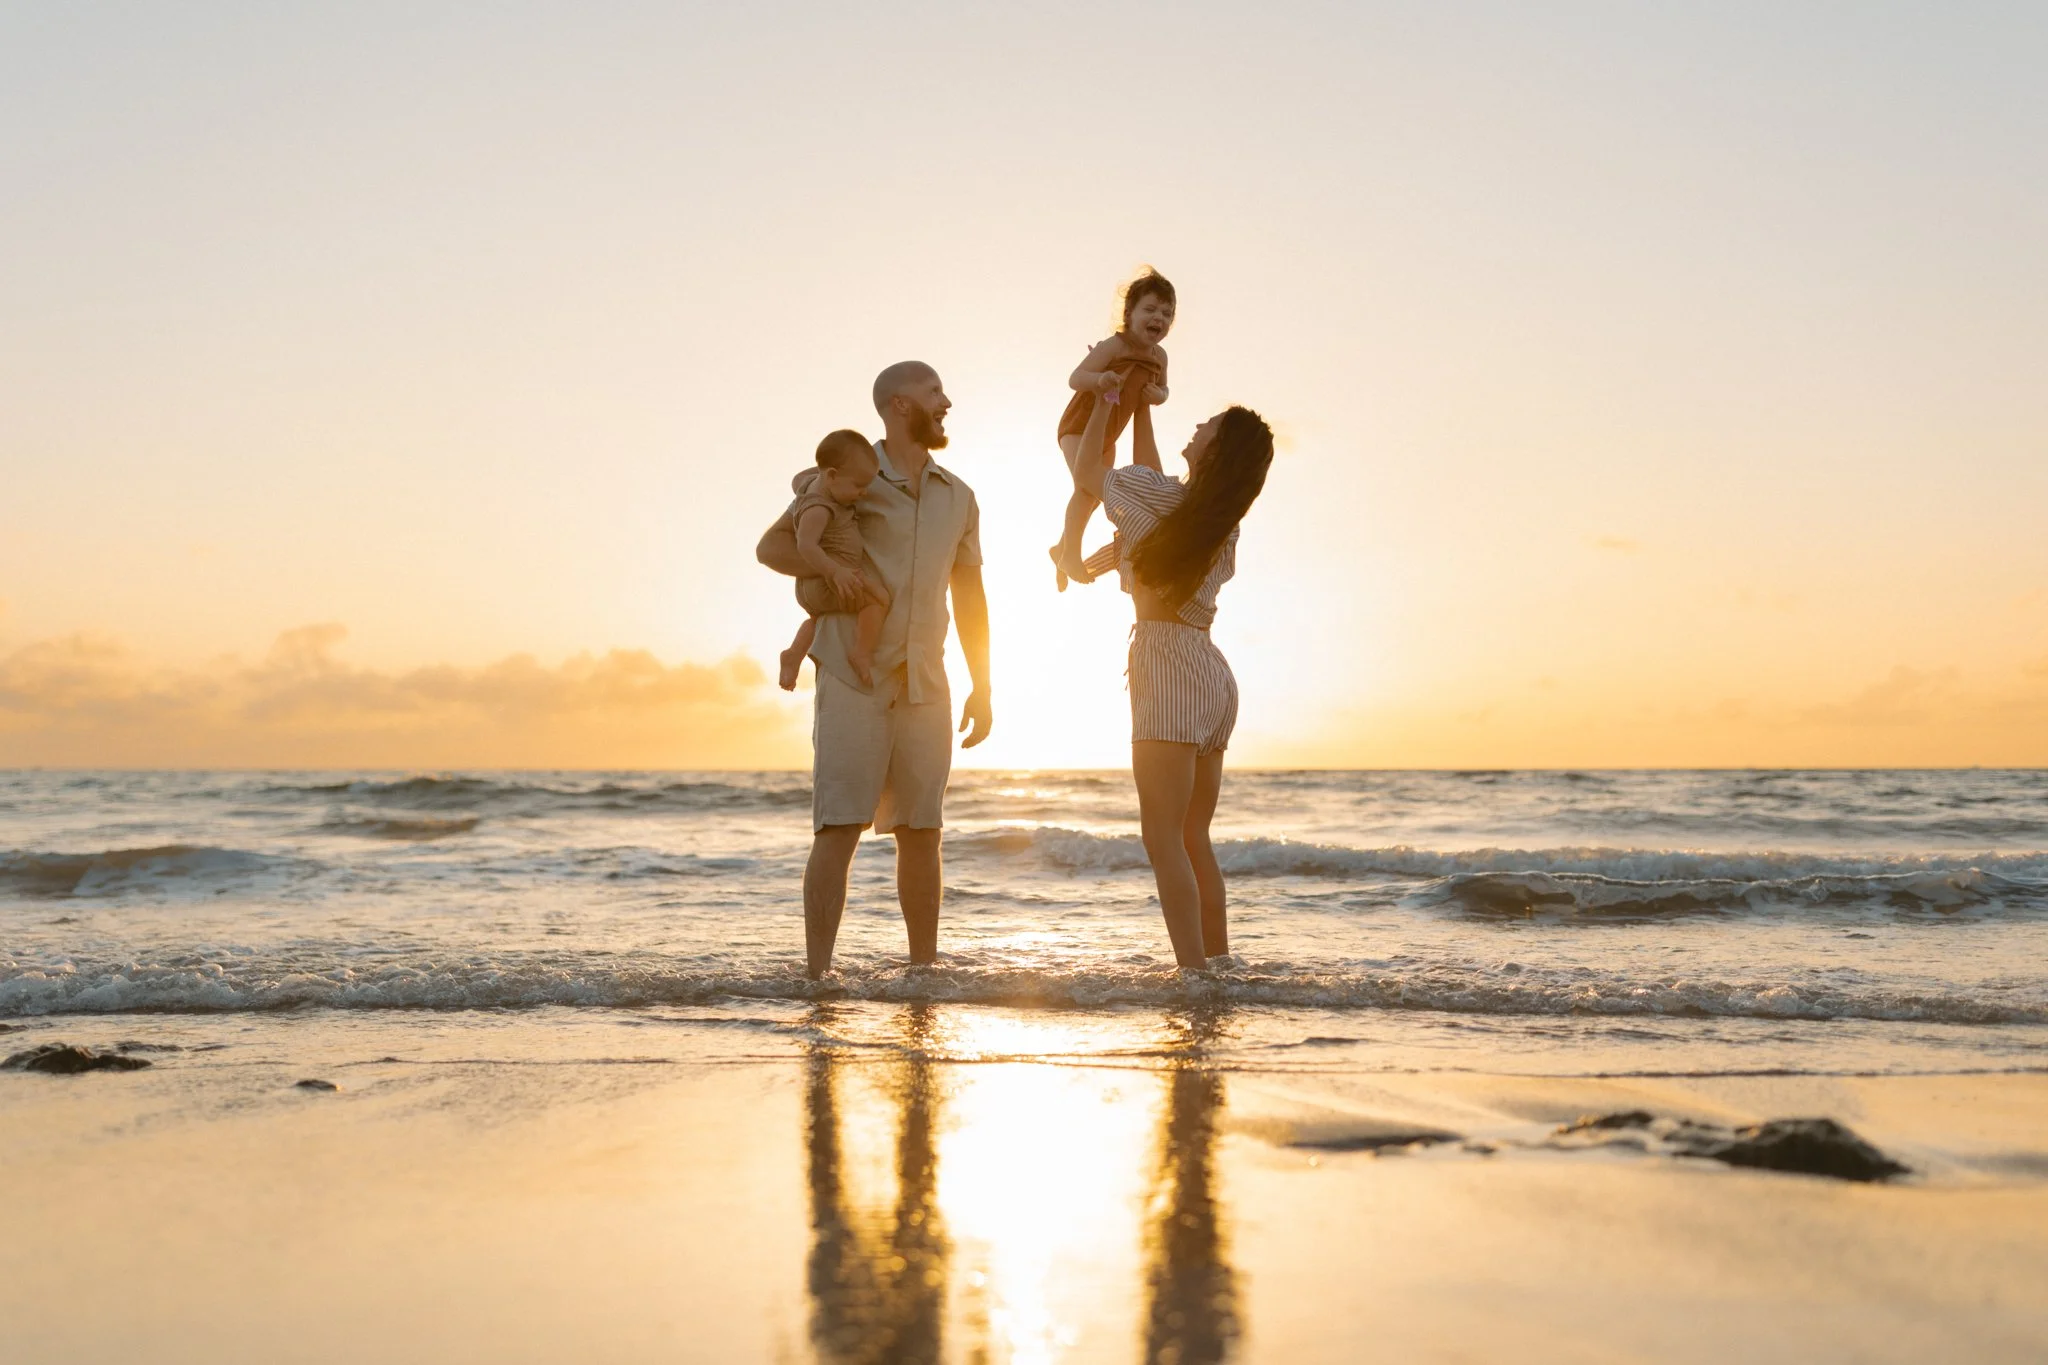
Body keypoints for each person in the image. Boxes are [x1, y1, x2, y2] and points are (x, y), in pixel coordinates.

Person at [756, 361, 993, 979]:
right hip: (853, 673)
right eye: (934, 391)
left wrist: (984, 682)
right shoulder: (844, 481)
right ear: (898, 405)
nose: (947, 401)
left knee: (924, 829)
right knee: (838, 827)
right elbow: (774, 547)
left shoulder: (960, 496)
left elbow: (970, 594)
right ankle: (816, 980)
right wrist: (837, 586)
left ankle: (922, 976)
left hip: (926, 682)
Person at [1067, 385, 1273, 970]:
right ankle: (1217, 967)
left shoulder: (1163, 500)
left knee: (1162, 838)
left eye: (1206, 425)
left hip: (1165, 663)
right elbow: (1147, 479)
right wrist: (1143, 409)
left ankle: (1192, 976)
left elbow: (1090, 473)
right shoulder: (1214, 519)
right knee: (1191, 838)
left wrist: (1109, 400)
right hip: (1210, 673)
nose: (1198, 425)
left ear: (1215, 449)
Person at [1049, 270, 1176, 591]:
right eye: (1149, 310)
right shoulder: (1114, 346)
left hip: (1109, 432)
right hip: (1079, 426)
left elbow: (1164, 390)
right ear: (1129, 314)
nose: (1158, 318)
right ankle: (1070, 555)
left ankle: (1062, 547)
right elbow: (1076, 377)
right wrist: (1100, 380)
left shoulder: (1159, 357)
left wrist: (1157, 396)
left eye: (1166, 313)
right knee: (1086, 487)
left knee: (1094, 491)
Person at [769, 429, 890, 691]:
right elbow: (805, 544)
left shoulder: (813, 486)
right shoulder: (819, 507)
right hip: (829, 580)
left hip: (814, 588)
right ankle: (861, 652)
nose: (864, 493)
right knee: (879, 598)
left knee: (816, 618)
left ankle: (793, 654)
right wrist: (835, 572)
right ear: (833, 475)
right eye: (859, 486)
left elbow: (800, 478)